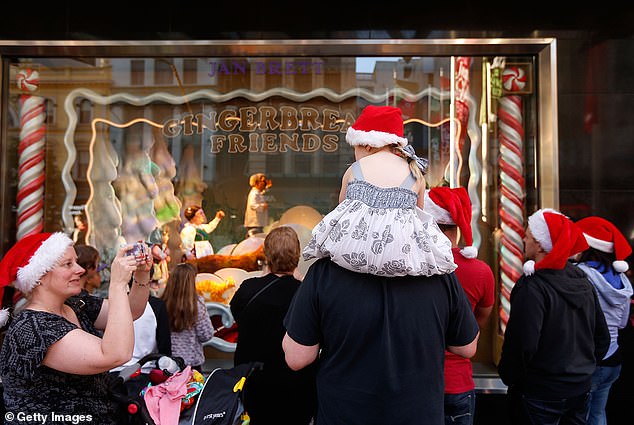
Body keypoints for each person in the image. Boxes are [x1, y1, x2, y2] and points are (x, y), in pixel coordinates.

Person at [282, 260, 479, 425]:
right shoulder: (438, 272)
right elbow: (466, 346)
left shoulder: (324, 271)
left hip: (344, 416)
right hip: (419, 416)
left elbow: (297, 357)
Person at [0, 232, 151, 424]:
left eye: (76, 262)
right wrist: (118, 284)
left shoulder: (75, 303)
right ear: (39, 276)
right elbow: (116, 354)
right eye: (68, 264)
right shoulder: (32, 327)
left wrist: (142, 274)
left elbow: (130, 311)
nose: (80, 270)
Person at [302, 105, 456, 277]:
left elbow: (341, 212)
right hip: (400, 257)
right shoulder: (415, 173)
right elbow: (419, 219)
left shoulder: (355, 169)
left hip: (351, 258)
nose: (355, 153)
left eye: (355, 147)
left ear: (368, 145)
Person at [498, 208, 611, 425]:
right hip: (579, 388)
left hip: (540, 391)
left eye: (528, 235)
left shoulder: (533, 287)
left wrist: (513, 377)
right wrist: (582, 370)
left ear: (540, 245)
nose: (523, 239)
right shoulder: (582, 281)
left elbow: (523, 344)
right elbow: (602, 338)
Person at [230, 226, 317, 425]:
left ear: (267, 254)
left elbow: (238, 315)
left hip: (254, 383)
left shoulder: (247, 290)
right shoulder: (306, 294)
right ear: (297, 254)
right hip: (297, 387)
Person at [424, 186, 495, 425]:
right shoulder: (481, 271)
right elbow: (481, 318)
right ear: (455, 230)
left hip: (417, 383)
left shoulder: (410, 267)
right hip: (458, 383)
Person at [574, 216, 633, 425]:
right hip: (613, 359)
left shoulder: (580, 274)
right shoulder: (622, 279)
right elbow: (623, 322)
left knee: (581, 417)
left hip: (590, 359)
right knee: (598, 415)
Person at [161, 262, 214, 371]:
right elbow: (206, 335)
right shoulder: (196, 305)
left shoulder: (162, 303)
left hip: (166, 362)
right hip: (191, 364)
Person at [244, 172, 272, 237]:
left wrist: (267, 188)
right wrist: (263, 206)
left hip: (258, 224)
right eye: (263, 181)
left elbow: (262, 193)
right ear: (256, 183)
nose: (265, 183)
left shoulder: (257, 192)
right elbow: (252, 205)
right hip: (254, 223)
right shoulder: (254, 193)